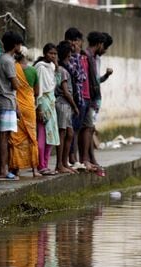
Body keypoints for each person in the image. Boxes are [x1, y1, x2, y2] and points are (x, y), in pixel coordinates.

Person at [0, 31, 23, 181]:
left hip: (5, 100)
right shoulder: (8, 61)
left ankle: (3, 169)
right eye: (19, 44)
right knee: (4, 137)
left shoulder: (2, 59)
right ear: (15, 45)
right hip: (5, 100)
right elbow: (15, 84)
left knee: (3, 136)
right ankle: (2, 171)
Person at [81, 31, 113, 169]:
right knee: (87, 129)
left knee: (89, 129)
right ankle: (86, 159)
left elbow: (95, 80)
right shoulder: (87, 57)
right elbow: (87, 80)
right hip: (88, 98)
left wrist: (106, 76)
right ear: (100, 44)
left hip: (92, 98)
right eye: (104, 46)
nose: (104, 50)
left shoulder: (92, 57)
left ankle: (89, 158)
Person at [10, 47, 39, 177]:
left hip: (16, 106)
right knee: (32, 137)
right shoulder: (33, 71)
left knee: (16, 138)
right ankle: (34, 170)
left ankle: (15, 168)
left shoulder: (13, 68)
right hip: (29, 106)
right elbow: (37, 92)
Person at [34, 43, 60, 176]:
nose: (53, 56)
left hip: (51, 102)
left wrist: (56, 65)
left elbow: (56, 83)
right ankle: (41, 165)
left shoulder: (52, 66)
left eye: (55, 54)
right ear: (45, 53)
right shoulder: (40, 67)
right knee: (42, 134)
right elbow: (38, 88)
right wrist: (38, 108)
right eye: (51, 53)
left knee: (51, 136)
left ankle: (45, 163)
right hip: (42, 102)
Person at [55, 41, 79, 174]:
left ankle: (64, 162)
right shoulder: (62, 70)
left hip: (66, 105)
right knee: (63, 134)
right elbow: (65, 91)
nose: (70, 58)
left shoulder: (64, 69)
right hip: (63, 104)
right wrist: (75, 106)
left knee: (69, 133)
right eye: (69, 56)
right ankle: (59, 164)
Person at [64, 27, 87, 167]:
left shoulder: (77, 57)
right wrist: (77, 55)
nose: (78, 45)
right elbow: (79, 76)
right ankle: (69, 158)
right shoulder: (68, 57)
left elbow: (82, 77)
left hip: (79, 98)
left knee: (76, 129)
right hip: (71, 99)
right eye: (77, 41)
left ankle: (74, 157)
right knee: (69, 131)